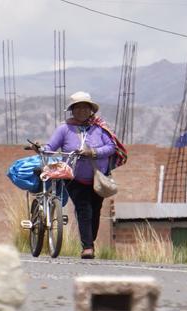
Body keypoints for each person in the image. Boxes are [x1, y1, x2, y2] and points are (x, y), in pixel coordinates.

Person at [43, 91, 127, 259]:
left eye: (85, 107)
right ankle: (87, 247)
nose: (81, 110)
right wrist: (42, 149)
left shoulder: (99, 128)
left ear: (91, 110)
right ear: (72, 110)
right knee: (84, 209)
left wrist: (93, 152)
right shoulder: (64, 129)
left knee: (95, 210)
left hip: (97, 178)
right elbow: (50, 146)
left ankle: (90, 241)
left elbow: (111, 147)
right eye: (77, 107)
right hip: (74, 178)